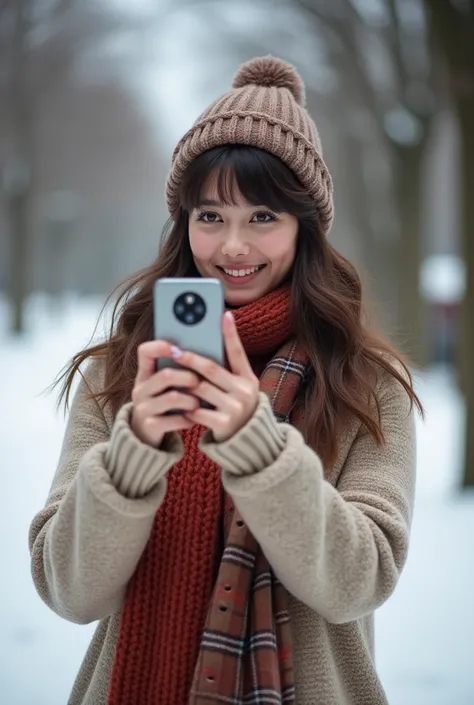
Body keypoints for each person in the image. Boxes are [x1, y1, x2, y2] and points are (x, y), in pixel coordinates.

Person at [29, 56, 421, 705]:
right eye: (210, 216)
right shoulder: (123, 367)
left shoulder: (365, 381)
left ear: (306, 228)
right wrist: (135, 455)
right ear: (183, 222)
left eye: (263, 217)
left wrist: (258, 448)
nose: (233, 246)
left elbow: (359, 582)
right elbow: (70, 592)